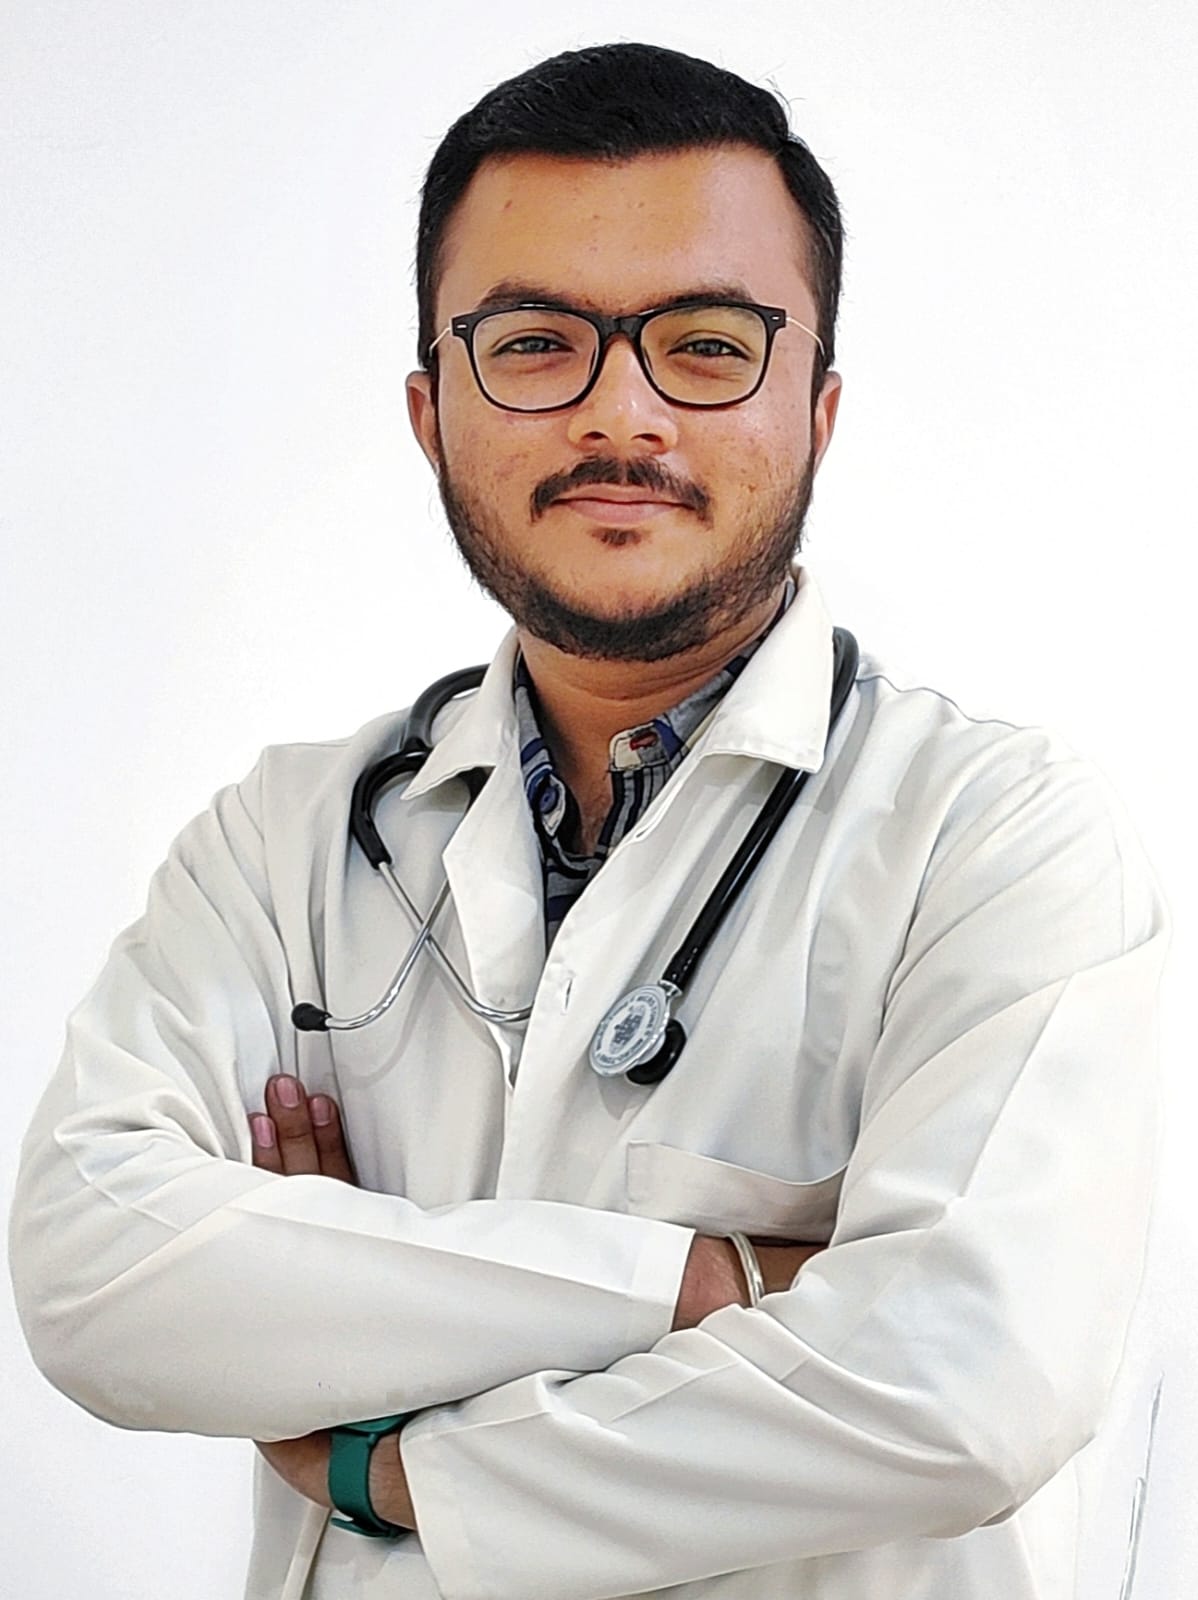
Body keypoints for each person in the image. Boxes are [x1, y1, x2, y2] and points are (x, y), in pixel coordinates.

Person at [9, 40, 1169, 1600]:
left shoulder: (995, 838)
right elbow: (93, 1277)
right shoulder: (281, 843)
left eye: (706, 344)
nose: (620, 414)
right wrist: (722, 1282)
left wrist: (386, 1456)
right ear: (429, 409)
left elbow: (962, 1390)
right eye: (535, 343)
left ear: (817, 409)